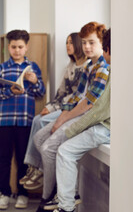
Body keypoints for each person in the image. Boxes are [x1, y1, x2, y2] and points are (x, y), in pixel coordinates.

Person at [33, 22, 109, 212]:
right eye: (84, 43)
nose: (87, 47)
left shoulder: (103, 68)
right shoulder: (88, 66)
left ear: (102, 43)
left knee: (51, 147)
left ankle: (50, 196)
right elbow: (76, 97)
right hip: (77, 113)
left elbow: (88, 104)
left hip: (89, 117)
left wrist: (63, 119)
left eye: (91, 42)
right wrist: (62, 114)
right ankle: (60, 189)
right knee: (39, 138)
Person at [52, 28, 111, 212]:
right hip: (103, 124)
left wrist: (72, 129)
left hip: (105, 128)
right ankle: (67, 201)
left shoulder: (107, 70)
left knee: (64, 151)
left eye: (92, 42)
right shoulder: (92, 67)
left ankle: (66, 206)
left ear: (105, 48)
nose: (87, 47)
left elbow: (96, 111)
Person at [20, 33, 88, 191]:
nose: (67, 46)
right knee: (38, 119)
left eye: (71, 42)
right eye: (66, 42)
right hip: (63, 105)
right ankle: (33, 166)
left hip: (73, 109)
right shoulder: (69, 67)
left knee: (42, 122)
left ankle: (40, 169)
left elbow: (77, 97)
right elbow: (61, 93)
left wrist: (55, 108)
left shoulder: (86, 67)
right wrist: (50, 107)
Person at [0, 30, 46, 210]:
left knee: (24, 158)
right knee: (4, 158)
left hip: (25, 121)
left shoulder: (33, 68)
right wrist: (10, 91)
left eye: (20, 47)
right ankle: (5, 193)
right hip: (5, 121)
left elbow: (41, 93)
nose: (17, 50)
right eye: (13, 47)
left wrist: (35, 82)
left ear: (26, 47)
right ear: (8, 47)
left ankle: (23, 194)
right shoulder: (1, 69)